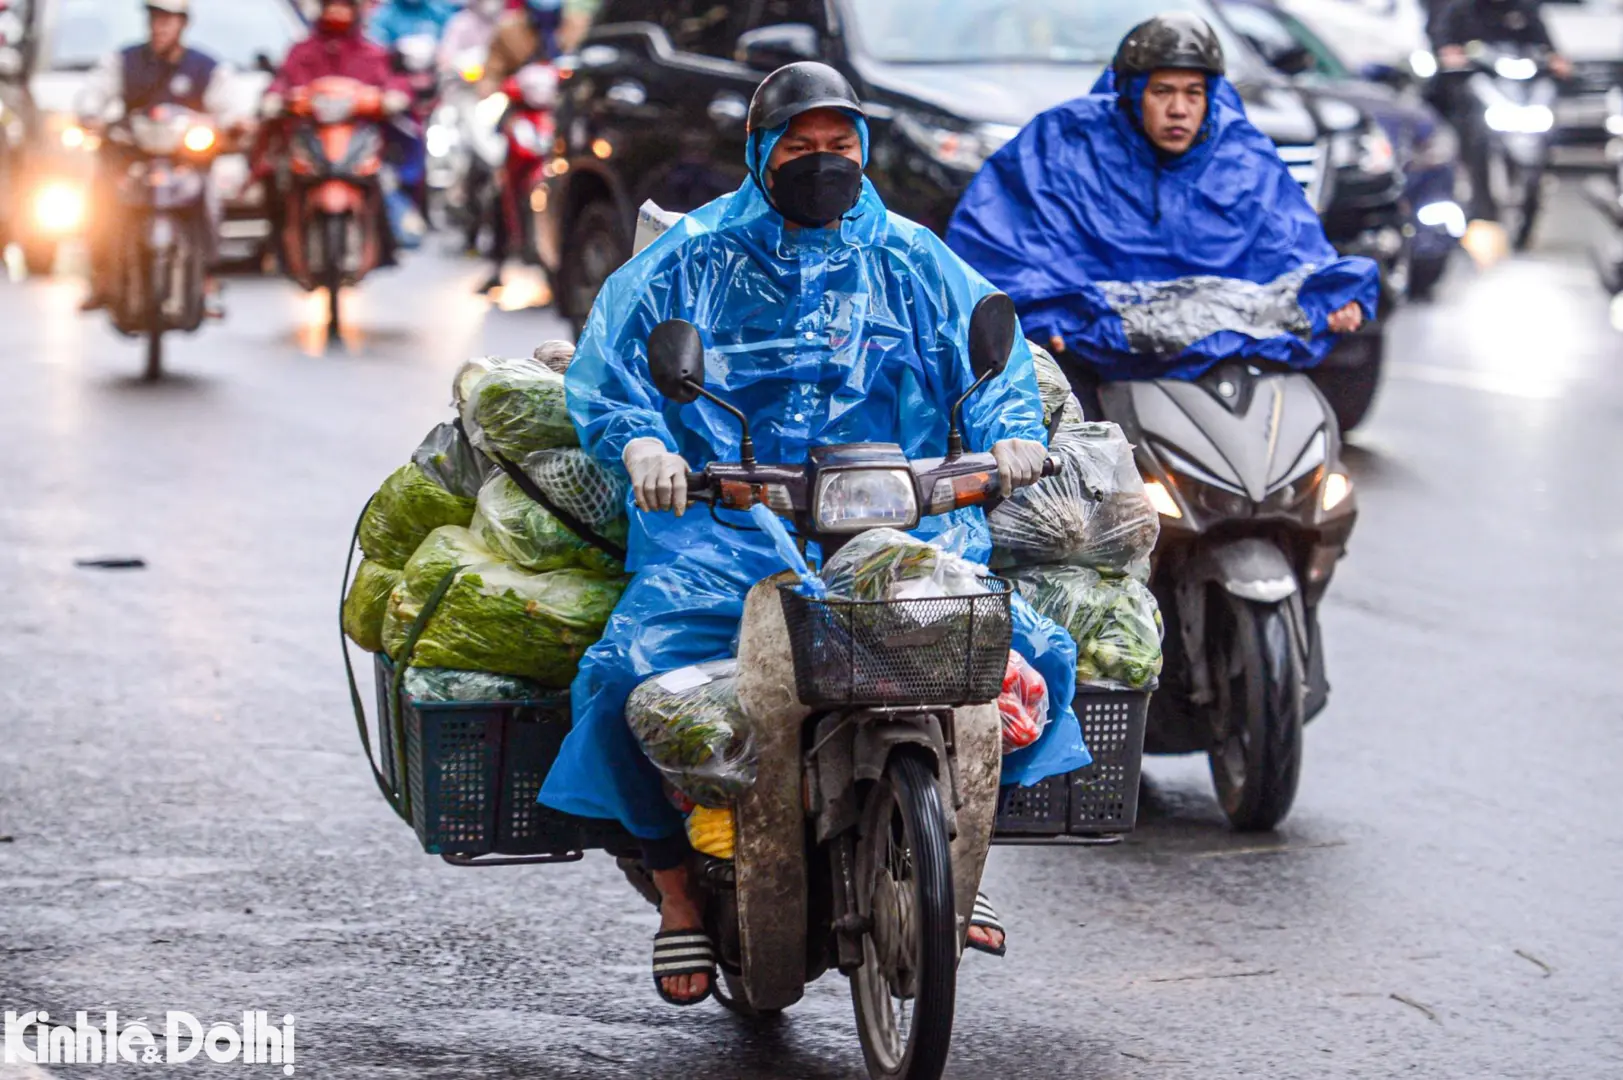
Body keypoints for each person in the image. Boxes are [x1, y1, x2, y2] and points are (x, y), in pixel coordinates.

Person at [541, 62, 1092, 1007]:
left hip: (900, 518)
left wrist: (1010, 440)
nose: (823, 163)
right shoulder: (691, 256)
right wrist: (640, 444)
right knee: (621, 676)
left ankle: (957, 845)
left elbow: (989, 361)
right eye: (801, 147)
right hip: (727, 528)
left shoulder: (913, 258)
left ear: (864, 153)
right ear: (761, 151)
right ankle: (675, 898)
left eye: (840, 147)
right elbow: (614, 370)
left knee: (1035, 653)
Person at [945, 13, 1378, 405]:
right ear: (1133, 94)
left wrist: (1335, 297)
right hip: (1092, 372)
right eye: (1162, 91)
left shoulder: (1241, 153)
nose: (1179, 110)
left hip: (1220, 380)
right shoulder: (1066, 143)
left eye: (1193, 93)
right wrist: (1046, 316)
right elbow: (1005, 246)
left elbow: (1292, 245)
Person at [77, 0, 238, 316]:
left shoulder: (205, 66)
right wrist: (91, 115)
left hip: (186, 161)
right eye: (155, 18)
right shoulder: (124, 61)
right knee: (101, 200)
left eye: (168, 20)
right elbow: (93, 92)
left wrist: (232, 125)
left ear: (183, 23)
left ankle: (207, 276)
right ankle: (102, 276)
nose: (160, 26)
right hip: (132, 157)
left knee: (209, 200)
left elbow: (230, 109)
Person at [260, 0, 410, 268]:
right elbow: (282, 82)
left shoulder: (371, 52)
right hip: (312, 139)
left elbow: (391, 83)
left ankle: (390, 242)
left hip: (357, 139)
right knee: (276, 177)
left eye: (344, 6)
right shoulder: (303, 51)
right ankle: (277, 248)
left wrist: (393, 97)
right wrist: (276, 98)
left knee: (385, 177)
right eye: (332, 5)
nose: (337, 12)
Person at [1430, 0, 1570, 223]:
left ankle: (1537, 181)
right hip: (1481, 83)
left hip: (1520, 88)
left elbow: (1548, 46)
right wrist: (1450, 54)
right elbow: (1443, 41)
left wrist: (1556, 61)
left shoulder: (1524, 9)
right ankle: (1476, 200)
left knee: (1550, 121)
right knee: (1465, 126)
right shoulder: (1462, 10)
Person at [365, 0, 456, 49]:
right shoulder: (383, 15)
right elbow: (378, 45)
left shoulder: (439, 10)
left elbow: (451, 42)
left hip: (435, 71)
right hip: (396, 71)